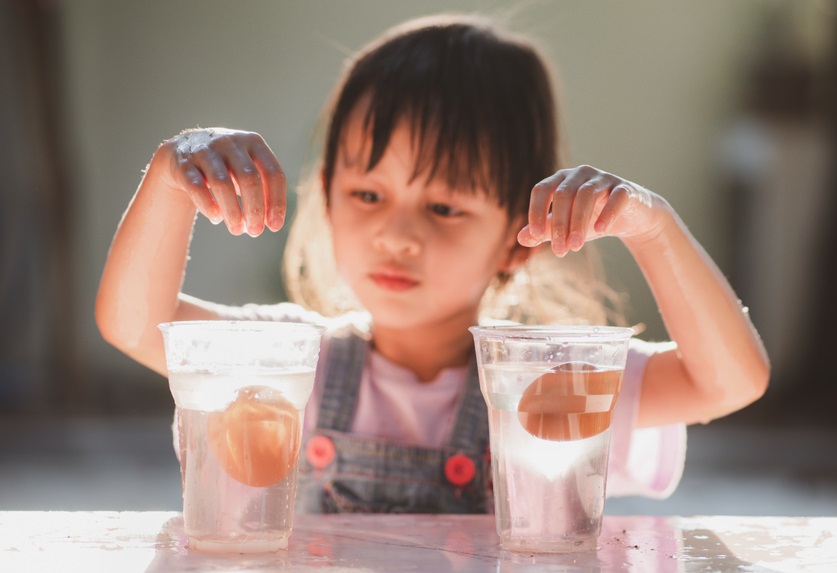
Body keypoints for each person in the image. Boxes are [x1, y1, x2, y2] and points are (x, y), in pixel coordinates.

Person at [95, 13, 769, 514]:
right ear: (325, 200)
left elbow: (728, 382)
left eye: (444, 207)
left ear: (518, 236)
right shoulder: (293, 365)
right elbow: (135, 325)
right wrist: (168, 178)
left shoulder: (550, 390)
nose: (397, 233)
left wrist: (650, 224)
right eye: (366, 193)